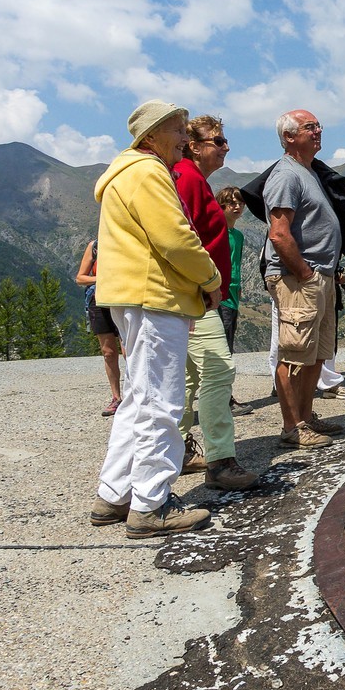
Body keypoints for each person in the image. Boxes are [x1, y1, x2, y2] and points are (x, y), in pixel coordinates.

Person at [89, 100, 220, 538]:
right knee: (162, 402)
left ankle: (114, 495)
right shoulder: (148, 172)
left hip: (132, 296)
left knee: (139, 398)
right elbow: (175, 239)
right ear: (150, 136)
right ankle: (151, 504)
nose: (185, 138)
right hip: (154, 296)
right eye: (178, 130)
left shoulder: (125, 173)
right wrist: (210, 278)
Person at [172, 115, 257, 491]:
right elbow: (184, 238)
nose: (226, 147)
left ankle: (179, 451)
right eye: (218, 141)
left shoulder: (192, 179)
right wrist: (208, 284)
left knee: (190, 378)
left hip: (193, 294)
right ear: (194, 145)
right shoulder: (188, 179)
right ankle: (220, 461)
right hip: (197, 295)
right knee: (219, 371)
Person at [263, 109, 345, 448]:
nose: (318, 131)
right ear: (289, 136)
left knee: (316, 354)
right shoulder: (286, 175)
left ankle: (306, 417)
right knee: (294, 354)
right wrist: (305, 273)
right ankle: (291, 428)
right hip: (298, 278)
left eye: (318, 126)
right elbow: (279, 233)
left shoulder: (308, 171)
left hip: (319, 276)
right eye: (310, 127)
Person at [215, 186, 251, 416]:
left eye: (240, 203)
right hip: (220, 297)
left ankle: (223, 397)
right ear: (221, 206)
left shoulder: (238, 235)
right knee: (222, 351)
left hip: (233, 296)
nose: (237, 207)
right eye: (231, 203)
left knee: (227, 348)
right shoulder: (216, 232)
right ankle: (223, 400)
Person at [76, 240, 122, 416]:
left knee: (130, 351)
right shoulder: (95, 245)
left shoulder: (126, 237)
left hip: (124, 299)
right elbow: (80, 278)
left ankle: (137, 396)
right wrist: (102, 279)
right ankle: (116, 398)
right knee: (108, 352)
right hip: (98, 301)